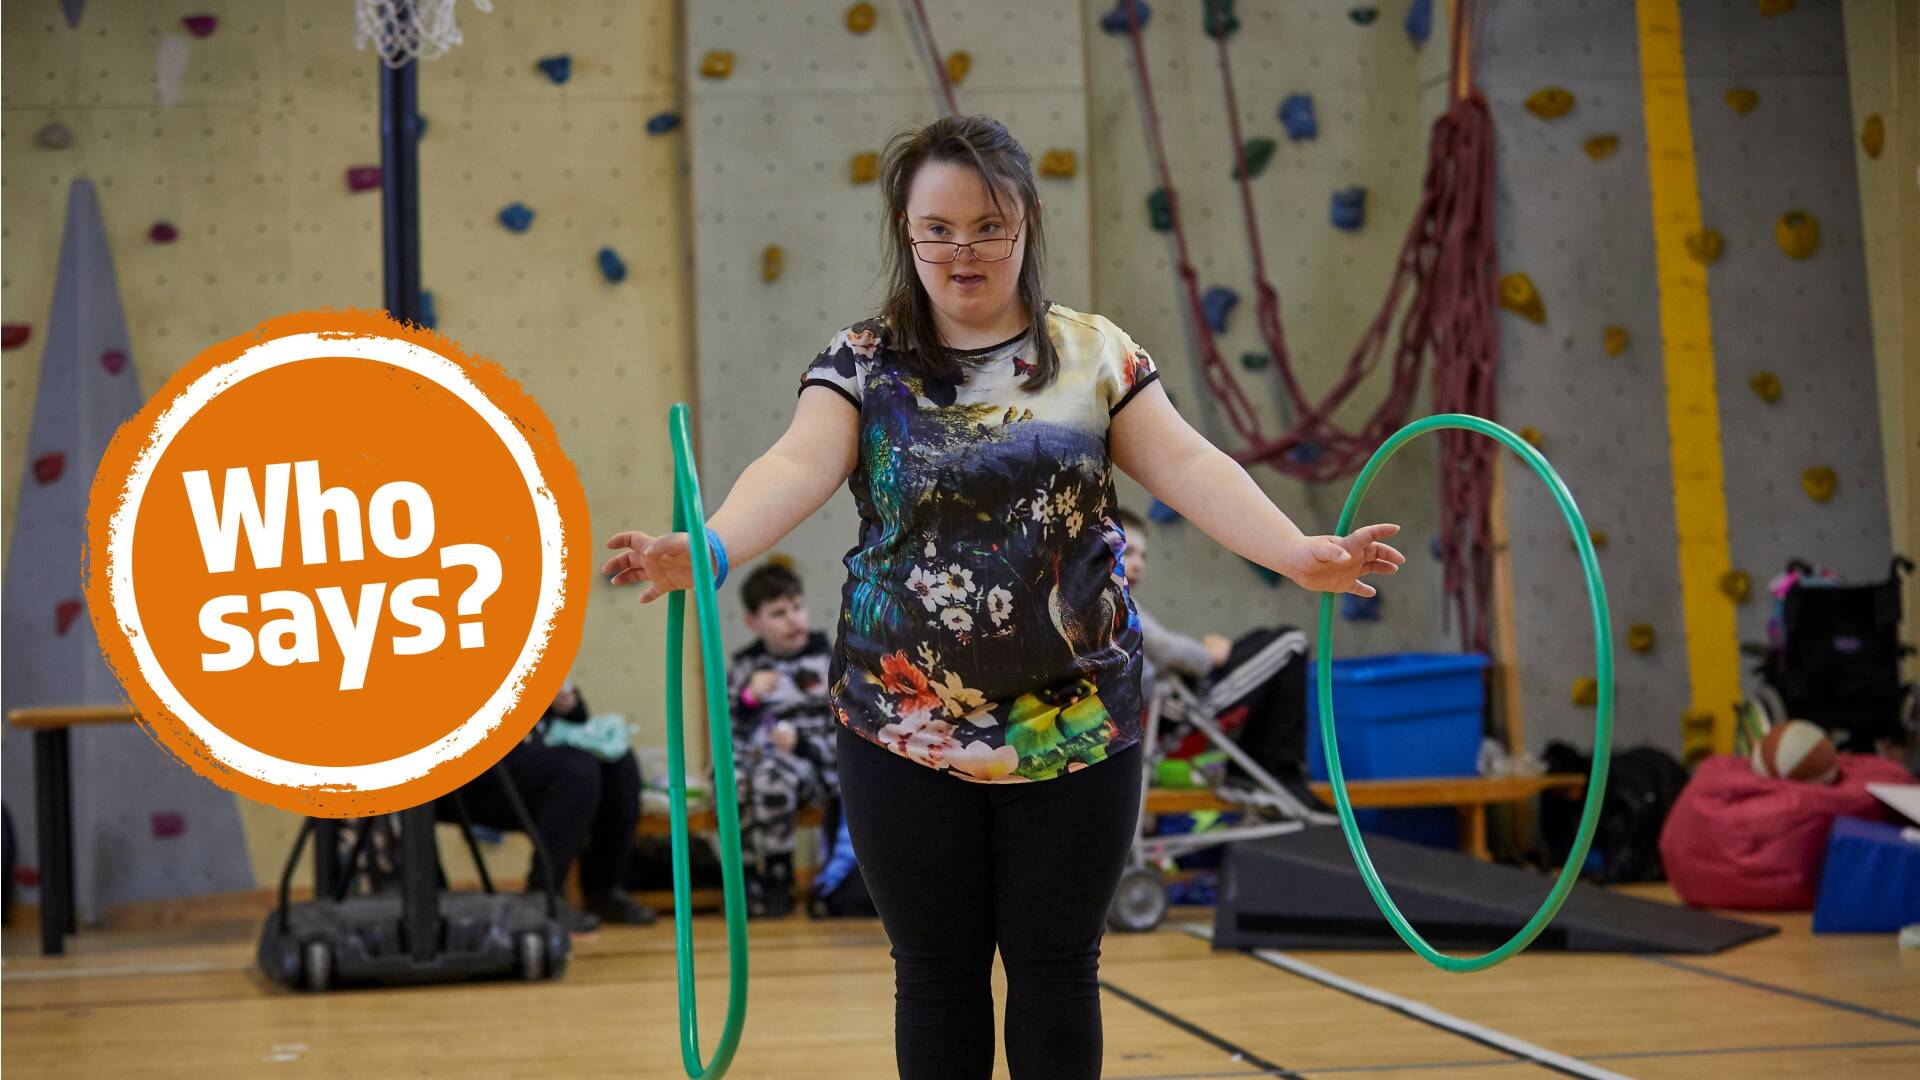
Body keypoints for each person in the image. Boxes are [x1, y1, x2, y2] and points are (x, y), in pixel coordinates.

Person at [603, 115, 1401, 1080]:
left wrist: (1296, 551)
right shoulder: (864, 361)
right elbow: (797, 463)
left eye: (989, 225)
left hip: (1077, 716)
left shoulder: (1095, 356)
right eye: (937, 227)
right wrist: (715, 544)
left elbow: (1190, 462)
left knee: (1058, 967)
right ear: (905, 232)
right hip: (901, 723)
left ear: (1026, 224)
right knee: (935, 975)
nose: (963, 249)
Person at [1112, 506, 1327, 816]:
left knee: (1264, 639)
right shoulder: (1111, 600)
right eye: (1128, 552)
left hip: (1177, 698)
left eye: (1143, 556)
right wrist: (1208, 654)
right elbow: (1164, 648)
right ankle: (1274, 767)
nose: (1138, 564)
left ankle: (1264, 761)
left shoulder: (1114, 601)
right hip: (1176, 712)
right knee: (1289, 644)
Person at [443, 679, 657, 932]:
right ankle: (543, 895)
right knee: (576, 770)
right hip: (465, 766)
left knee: (619, 764)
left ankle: (605, 889)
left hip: (530, 751)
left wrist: (569, 704)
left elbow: (578, 717)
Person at [725, 560, 838, 916]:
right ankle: (744, 879)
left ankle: (778, 875)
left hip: (811, 764)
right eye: (777, 613)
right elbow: (728, 728)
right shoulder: (746, 666)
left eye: (797, 608)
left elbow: (849, 729)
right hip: (757, 758)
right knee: (731, 779)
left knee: (772, 777)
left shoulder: (827, 660)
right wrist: (748, 699)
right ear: (753, 623)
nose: (792, 619)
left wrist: (802, 746)